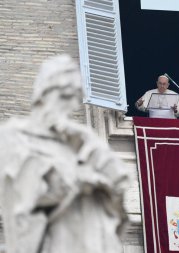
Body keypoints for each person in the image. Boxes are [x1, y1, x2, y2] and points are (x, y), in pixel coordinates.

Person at [0, 55, 128, 253]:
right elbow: (20, 201)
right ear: (43, 94)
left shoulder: (83, 139)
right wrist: (76, 180)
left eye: (75, 97)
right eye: (65, 96)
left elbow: (119, 182)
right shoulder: (14, 137)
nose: (70, 105)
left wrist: (90, 151)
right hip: (56, 242)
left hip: (95, 240)